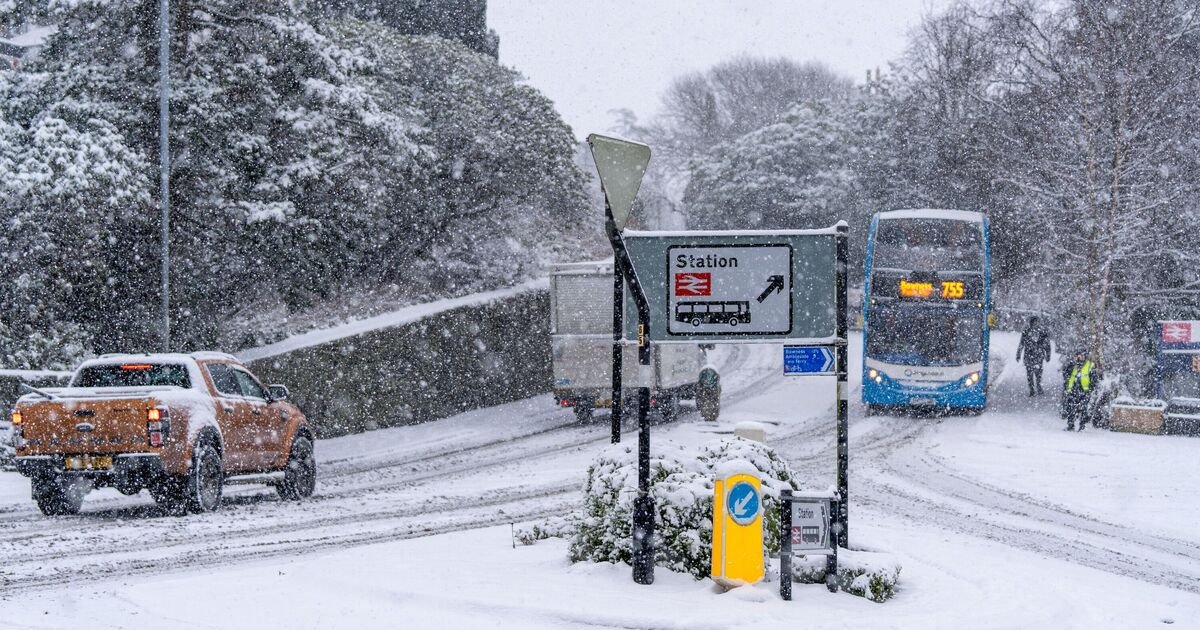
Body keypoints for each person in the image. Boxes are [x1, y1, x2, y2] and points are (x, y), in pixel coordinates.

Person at [1062, 350, 1102, 431]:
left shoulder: (1090, 365)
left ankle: (1082, 426)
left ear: (1085, 356)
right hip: (1072, 390)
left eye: (1081, 356)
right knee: (1071, 408)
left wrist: (1090, 389)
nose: (1079, 358)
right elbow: (1066, 375)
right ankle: (1070, 426)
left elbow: (1094, 379)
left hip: (1084, 391)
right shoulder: (1073, 365)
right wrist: (1071, 364)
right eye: (1077, 356)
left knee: (1084, 409)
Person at [1015, 316, 1053, 396]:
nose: (1036, 324)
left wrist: (1048, 354)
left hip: (1035, 355)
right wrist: (1018, 354)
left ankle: (1036, 387)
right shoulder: (1028, 332)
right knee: (1032, 373)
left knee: (1035, 372)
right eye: (1034, 322)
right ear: (1031, 323)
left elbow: (1047, 344)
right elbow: (1021, 344)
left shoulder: (1040, 332)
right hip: (1033, 355)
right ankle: (1034, 388)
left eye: (1037, 322)